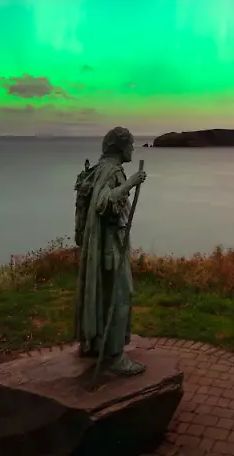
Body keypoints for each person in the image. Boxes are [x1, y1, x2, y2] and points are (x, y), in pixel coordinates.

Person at [73, 126, 148, 376]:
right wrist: (130, 183)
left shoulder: (99, 168)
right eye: (131, 144)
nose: (133, 148)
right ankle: (116, 356)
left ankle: (96, 345)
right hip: (110, 246)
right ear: (120, 146)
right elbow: (103, 203)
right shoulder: (113, 171)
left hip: (103, 243)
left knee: (105, 295)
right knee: (120, 295)